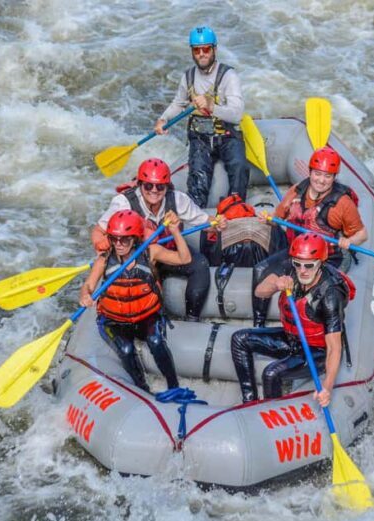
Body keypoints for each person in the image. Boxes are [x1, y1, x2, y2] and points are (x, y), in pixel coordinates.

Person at [91, 158, 227, 321]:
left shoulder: (177, 200)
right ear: (140, 184)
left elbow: (206, 223)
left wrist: (218, 222)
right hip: (139, 258)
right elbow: (98, 231)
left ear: (166, 186)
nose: (154, 190)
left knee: (200, 265)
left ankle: (192, 318)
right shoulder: (123, 203)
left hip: (169, 252)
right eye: (148, 185)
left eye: (160, 186)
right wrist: (101, 243)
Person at [230, 233, 356, 405]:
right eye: (298, 264)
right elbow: (259, 291)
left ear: (321, 262)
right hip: (292, 339)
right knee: (239, 339)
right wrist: (276, 284)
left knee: (271, 373)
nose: (302, 271)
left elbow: (334, 348)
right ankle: (249, 401)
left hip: (317, 351)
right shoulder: (291, 268)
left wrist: (327, 387)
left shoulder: (330, 295)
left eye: (309, 266)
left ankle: (270, 412)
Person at [251, 146, 368, 327]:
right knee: (259, 270)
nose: (321, 180)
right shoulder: (297, 191)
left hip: (328, 257)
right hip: (299, 252)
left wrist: (349, 241)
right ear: (310, 172)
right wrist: (267, 219)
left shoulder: (343, 203)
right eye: (317, 174)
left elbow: (362, 234)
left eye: (327, 176)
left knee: (317, 294)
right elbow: (277, 219)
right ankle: (259, 323)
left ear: (334, 177)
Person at [80, 210, 190, 392]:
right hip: (113, 320)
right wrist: (85, 295)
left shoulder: (150, 252)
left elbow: (184, 258)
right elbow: (89, 286)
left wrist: (175, 231)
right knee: (126, 350)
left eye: (125, 239)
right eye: (114, 239)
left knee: (156, 342)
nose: (119, 244)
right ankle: (142, 388)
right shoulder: (104, 260)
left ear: (135, 238)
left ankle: (173, 386)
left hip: (146, 316)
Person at [154, 26, 249, 208]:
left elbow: (237, 114)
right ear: (192, 52)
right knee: (198, 179)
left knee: (239, 167)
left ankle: (237, 209)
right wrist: (163, 119)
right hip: (200, 138)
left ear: (214, 49)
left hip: (228, 136)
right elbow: (178, 104)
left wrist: (212, 106)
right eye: (197, 50)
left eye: (206, 49)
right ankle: (196, 218)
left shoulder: (229, 76)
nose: (202, 54)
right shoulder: (188, 77)